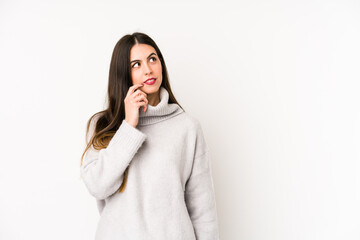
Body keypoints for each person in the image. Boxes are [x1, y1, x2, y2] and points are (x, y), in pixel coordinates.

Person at [80, 32, 219, 240]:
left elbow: (203, 210)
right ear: (123, 73)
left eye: (153, 59)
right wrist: (128, 126)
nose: (148, 69)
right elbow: (98, 186)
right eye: (136, 64)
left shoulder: (187, 127)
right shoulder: (103, 125)